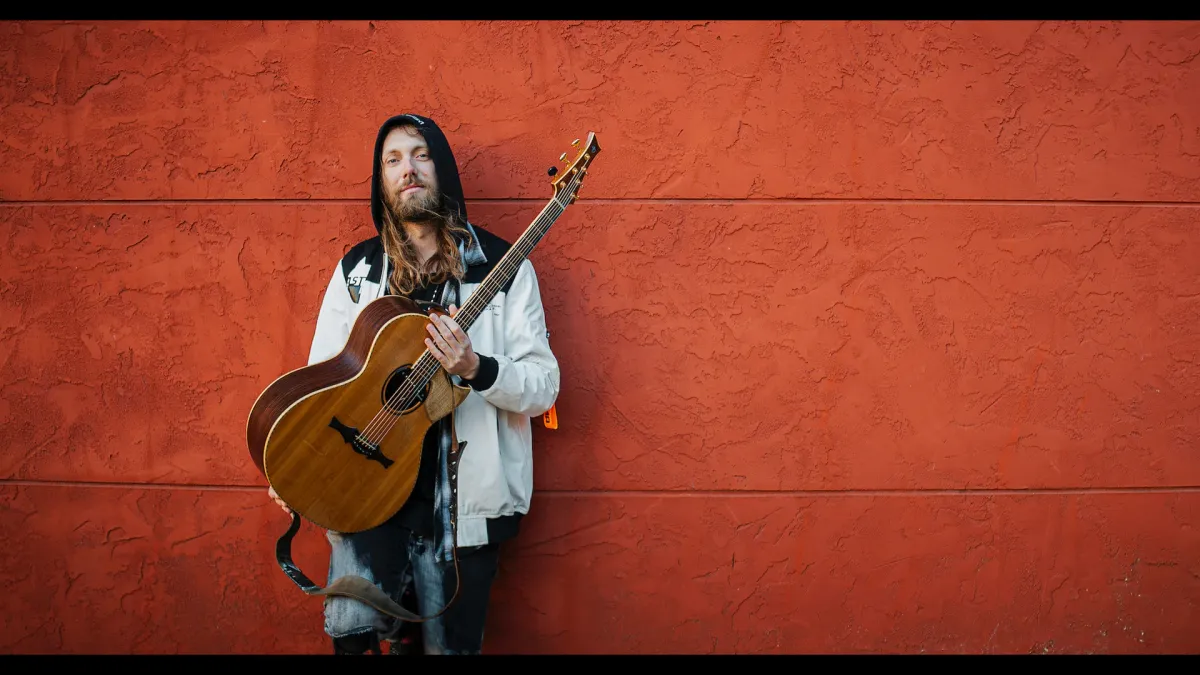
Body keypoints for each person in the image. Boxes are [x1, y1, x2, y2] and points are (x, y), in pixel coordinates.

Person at [266, 113, 560, 655]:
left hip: (462, 516)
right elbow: (317, 387)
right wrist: (295, 468)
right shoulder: (358, 272)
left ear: (442, 167)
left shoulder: (503, 268)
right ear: (380, 180)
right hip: (363, 499)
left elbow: (543, 386)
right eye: (393, 159)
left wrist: (476, 367)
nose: (408, 170)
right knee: (352, 644)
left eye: (421, 155)